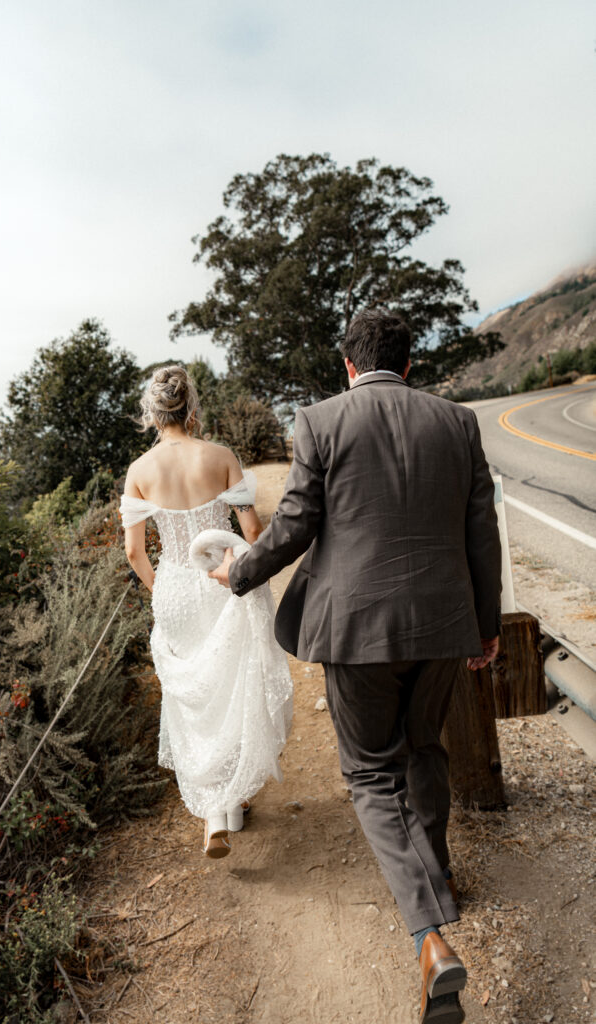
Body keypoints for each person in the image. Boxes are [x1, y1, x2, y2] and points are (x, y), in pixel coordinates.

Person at [209, 309, 502, 1024]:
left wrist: (238, 573)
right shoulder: (457, 422)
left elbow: (297, 524)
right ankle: (438, 878)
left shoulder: (318, 421)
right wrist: (484, 626)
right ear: (408, 364)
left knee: (371, 771)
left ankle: (429, 936)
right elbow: (480, 531)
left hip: (355, 631)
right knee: (424, 748)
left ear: (347, 364)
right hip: (440, 624)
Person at [120, 365, 293, 859]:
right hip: (221, 580)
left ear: (152, 413)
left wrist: (162, 590)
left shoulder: (139, 472)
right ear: (191, 407)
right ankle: (231, 803)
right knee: (230, 687)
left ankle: (217, 813)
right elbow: (254, 533)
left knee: (194, 697)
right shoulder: (220, 456)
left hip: (173, 587)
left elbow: (135, 553)